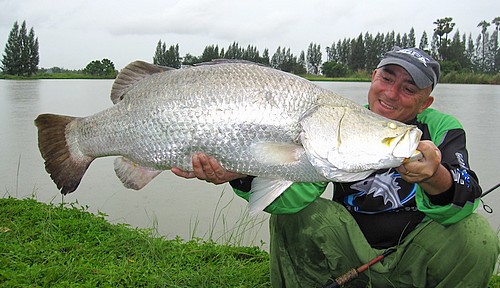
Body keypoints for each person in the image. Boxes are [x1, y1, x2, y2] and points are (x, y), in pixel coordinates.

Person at [172, 47, 500, 287]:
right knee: (296, 217)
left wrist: (435, 176)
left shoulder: (441, 127)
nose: (391, 93)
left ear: (425, 101)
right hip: (348, 250)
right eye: (387, 78)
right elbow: (294, 197)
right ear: (374, 78)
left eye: (409, 89)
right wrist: (243, 174)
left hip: (414, 250)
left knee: (476, 235)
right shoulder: (337, 118)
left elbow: (465, 194)